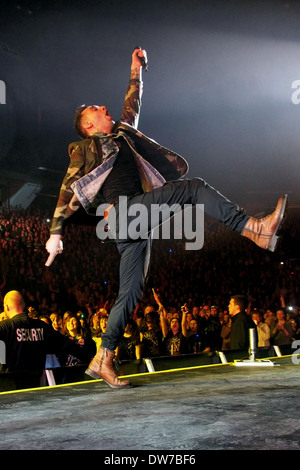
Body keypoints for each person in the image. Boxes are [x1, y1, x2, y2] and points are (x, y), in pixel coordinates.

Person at [45, 48, 288, 389]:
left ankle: (105, 356)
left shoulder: (124, 134)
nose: (104, 108)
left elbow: (133, 102)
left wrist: (135, 70)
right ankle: (253, 228)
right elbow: (67, 189)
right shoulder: (84, 148)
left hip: (128, 223)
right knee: (193, 188)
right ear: (88, 126)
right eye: (96, 110)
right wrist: (56, 233)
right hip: (123, 214)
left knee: (130, 292)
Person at [0, 290, 91, 389]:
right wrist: (88, 357)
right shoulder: (42, 327)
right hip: (35, 387)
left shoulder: (4, 328)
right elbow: (66, 344)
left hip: (10, 390)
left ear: (7, 307)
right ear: (24, 305)